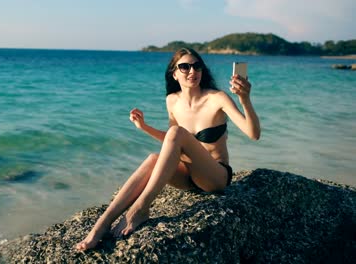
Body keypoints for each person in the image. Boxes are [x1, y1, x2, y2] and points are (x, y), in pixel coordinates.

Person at [75, 48, 260, 251]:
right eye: (185, 67)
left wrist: (245, 99)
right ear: (174, 73)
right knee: (154, 158)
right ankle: (101, 224)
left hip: (215, 176)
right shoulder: (172, 100)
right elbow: (173, 141)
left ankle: (141, 208)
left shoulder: (217, 98)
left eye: (197, 66)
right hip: (187, 176)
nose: (192, 71)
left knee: (176, 133)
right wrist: (144, 128)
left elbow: (253, 133)